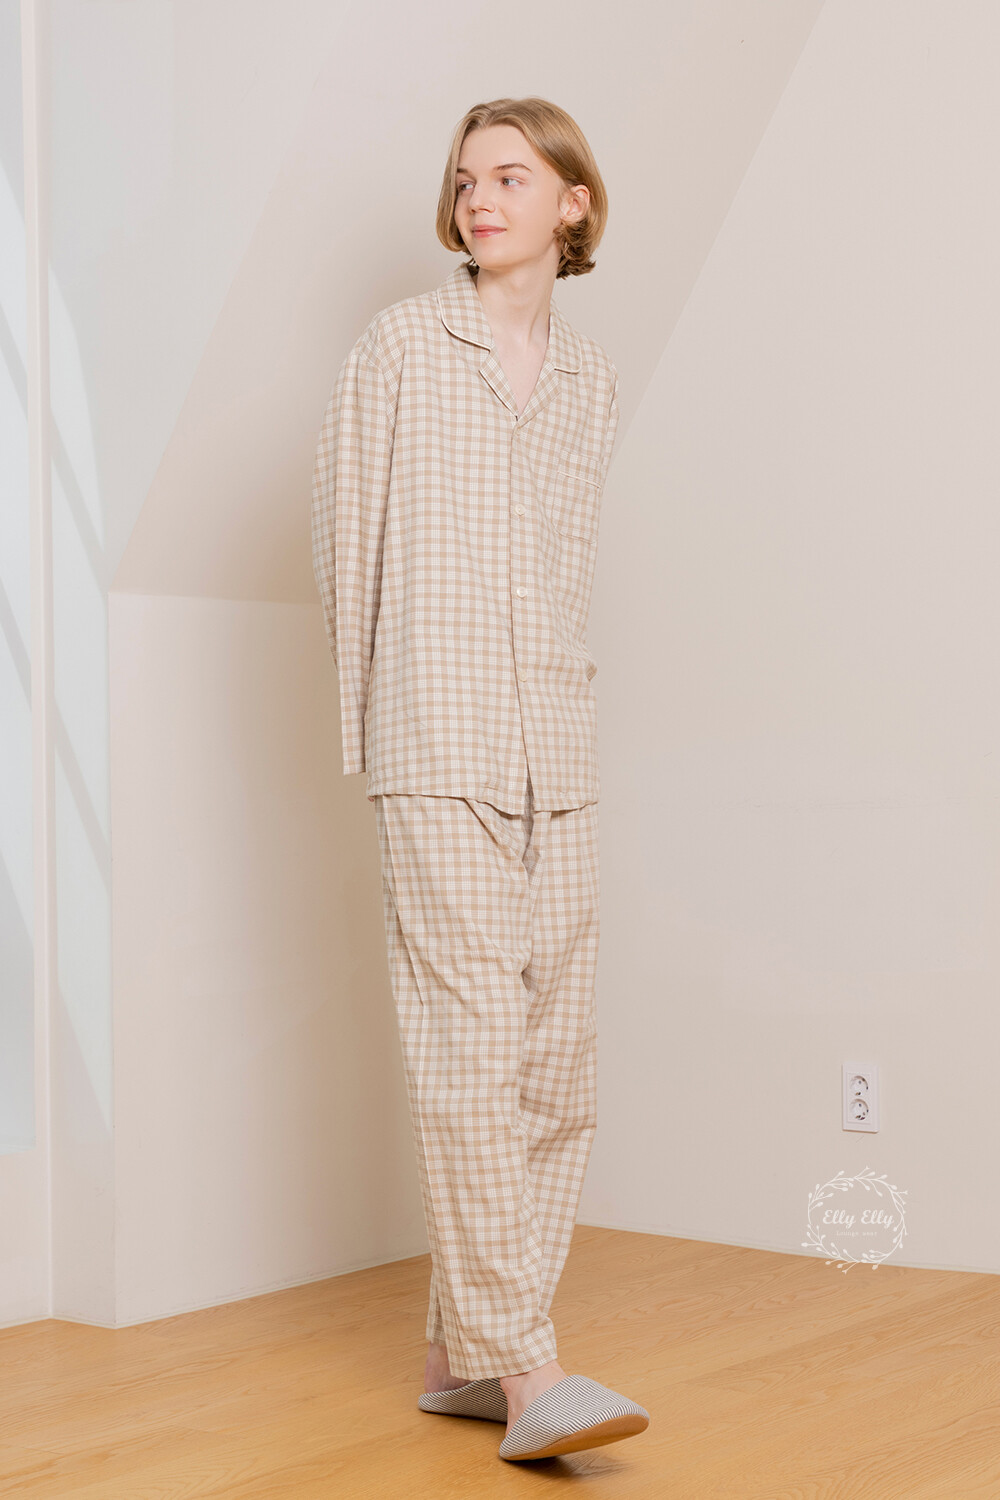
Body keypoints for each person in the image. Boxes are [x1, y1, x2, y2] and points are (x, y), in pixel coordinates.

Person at [311, 97, 649, 1462]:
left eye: (511, 176)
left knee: (557, 1062)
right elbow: (346, 541)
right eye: (464, 181)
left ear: (574, 202)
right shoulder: (401, 345)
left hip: (554, 744)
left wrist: (566, 707)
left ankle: (460, 1350)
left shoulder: (593, 381)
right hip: (435, 740)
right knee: (470, 1049)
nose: (480, 199)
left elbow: (569, 566)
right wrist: (375, 736)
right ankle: (529, 1375)